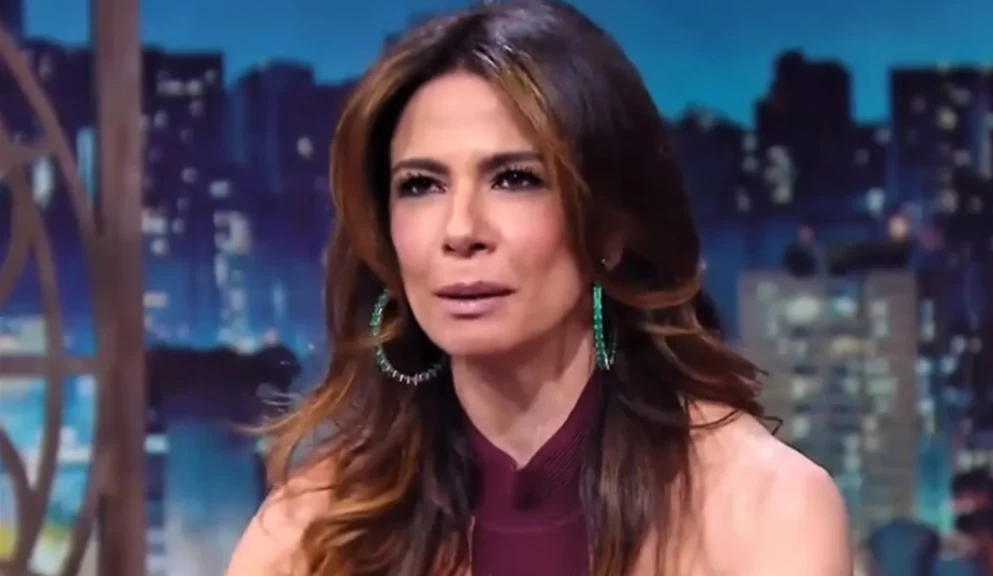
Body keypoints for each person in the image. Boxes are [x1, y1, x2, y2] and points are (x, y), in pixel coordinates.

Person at [226, 1, 851, 574]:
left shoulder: (762, 511)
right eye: (421, 185)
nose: (460, 230)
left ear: (609, 227)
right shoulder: (309, 534)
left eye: (515, 179)